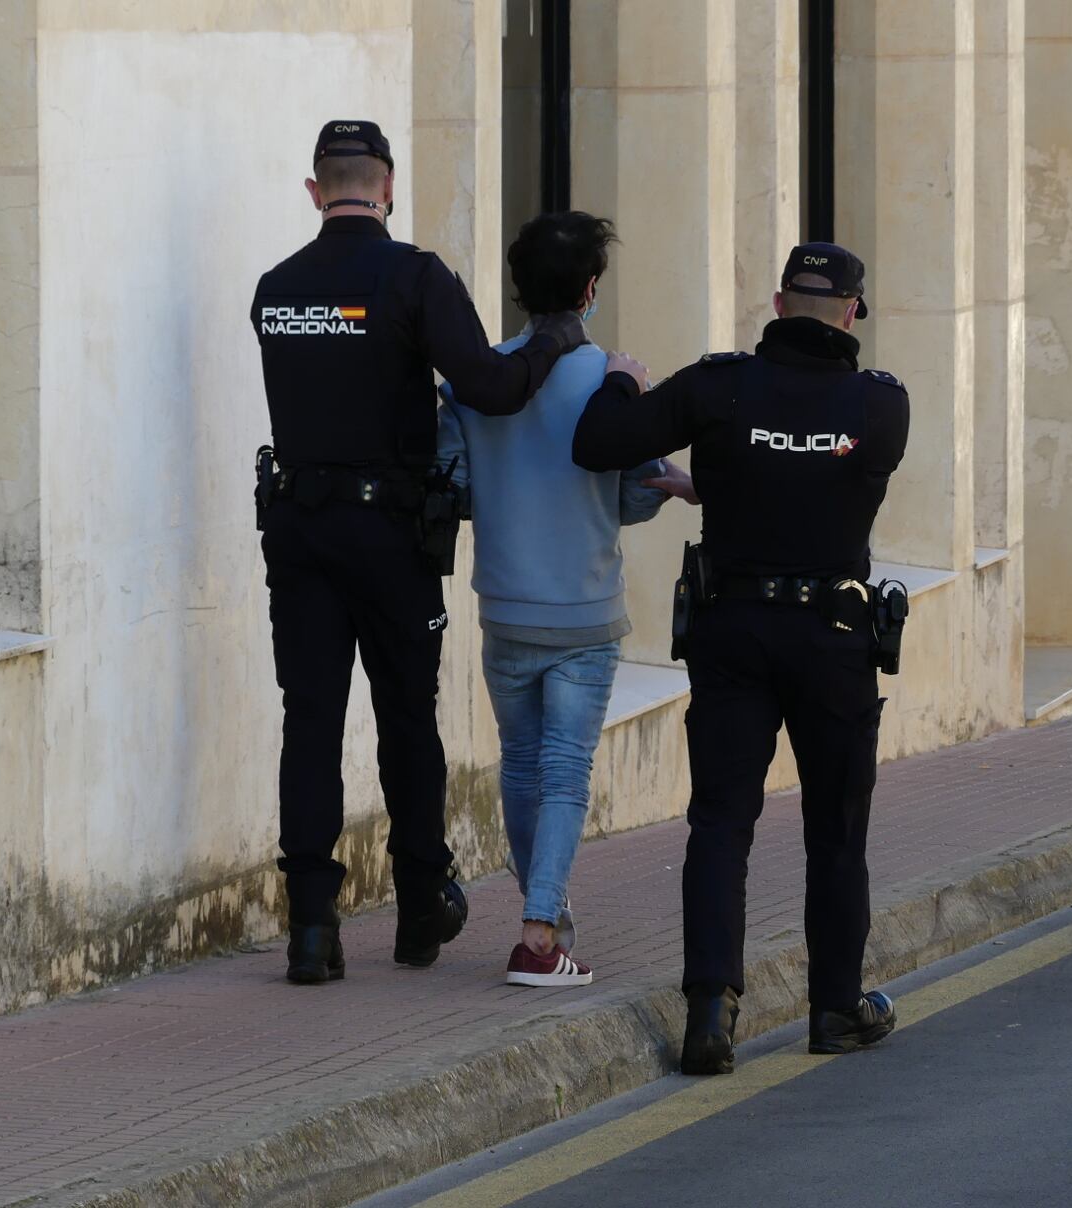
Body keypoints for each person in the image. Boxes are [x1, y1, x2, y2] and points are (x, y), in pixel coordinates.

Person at [250, 120, 590, 985]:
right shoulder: (412, 276)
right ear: (389, 187)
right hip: (389, 534)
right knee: (407, 719)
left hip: (297, 528)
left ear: (315, 190)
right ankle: (417, 912)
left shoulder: (274, 288)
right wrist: (556, 338)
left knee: (311, 720)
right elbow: (490, 387)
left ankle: (313, 930)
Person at [572, 242, 910, 1070]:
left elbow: (600, 440)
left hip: (734, 633)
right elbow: (811, 478)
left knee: (722, 821)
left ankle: (709, 1018)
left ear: (776, 302)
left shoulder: (719, 385)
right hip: (833, 640)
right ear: (853, 313)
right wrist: (727, 479)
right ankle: (835, 1008)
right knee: (836, 830)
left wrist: (623, 376)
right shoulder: (880, 405)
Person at [436, 211, 697, 988]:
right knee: (564, 772)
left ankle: (545, 912)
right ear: (591, 289)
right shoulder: (608, 377)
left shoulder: (479, 381)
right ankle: (540, 934)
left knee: (522, 765)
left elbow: (458, 490)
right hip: (584, 610)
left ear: (519, 290)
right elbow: (640, 497)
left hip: (505, 604)